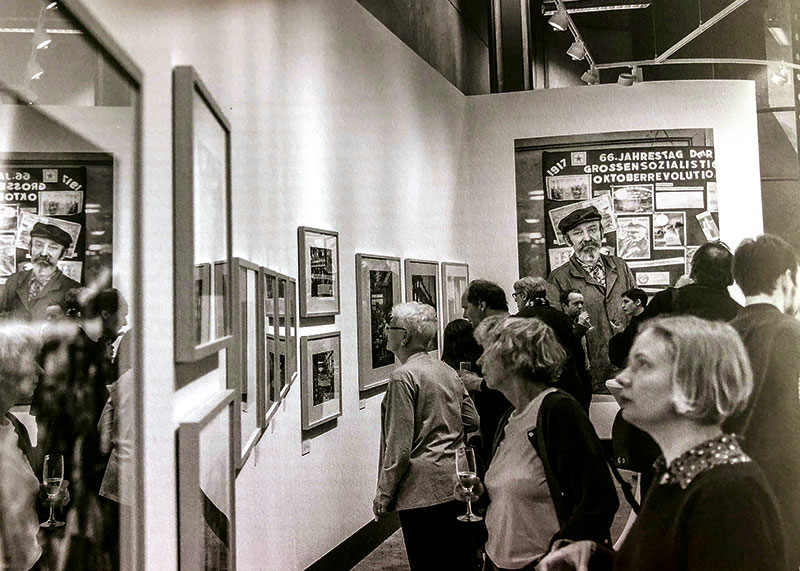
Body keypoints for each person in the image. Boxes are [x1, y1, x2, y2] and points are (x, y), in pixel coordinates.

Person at [538, 316, 785, 571]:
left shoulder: (729, 492)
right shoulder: (678, 472)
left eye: (642, 364)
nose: (622, 378)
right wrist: (594, 556)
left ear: (691, 381)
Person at [462, 317, 617, 570]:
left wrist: (558, 555)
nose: (479, 362)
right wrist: (480, 495)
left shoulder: (558, 411)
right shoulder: (510, 418)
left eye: (485, 352)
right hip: (499, 562)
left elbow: (599, 500)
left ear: (513, 358)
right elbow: (514, 493)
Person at [373, 302, 480, 571]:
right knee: (458, 561)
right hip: (456, 482)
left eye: (391, 327)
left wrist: (384, 494)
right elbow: (473, 419)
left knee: (428, 562)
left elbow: (398, 446)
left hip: (422, 491)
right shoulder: (447, 371)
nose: (386, 332)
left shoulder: (403, 377)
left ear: (405, 336)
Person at [726, 234, 800, 570]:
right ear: (787, 278)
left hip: (731, 488)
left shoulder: (721, 337)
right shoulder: (793, 333)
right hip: (787, 488)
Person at [0, 322, 68, 571]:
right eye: (32, 360)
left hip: (32, 561)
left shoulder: (14, 426)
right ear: (5, 369)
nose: (40, 370)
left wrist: (44, 496)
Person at [548, 206, 635, 391]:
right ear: (567, 239)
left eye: (593, 229)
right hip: (588, 374)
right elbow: (559, 333)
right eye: (578, 233)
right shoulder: (558, 278)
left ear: (602, 232)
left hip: (628, 369)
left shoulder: (620, 267)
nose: (587, 238)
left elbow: (637, 312)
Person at [514, 277, 590, 411]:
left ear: (524, 295)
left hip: (535, 394)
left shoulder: (518, 321)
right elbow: (577, 357)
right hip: (568, 389)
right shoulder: (563, 319)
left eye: (516, 296)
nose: (516, 301)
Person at [458, 280, 513, 460]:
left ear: (482, 304)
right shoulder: (504, 330)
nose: (465, 315)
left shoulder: (510, 334)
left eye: (466, 307)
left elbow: (517, 385)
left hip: (509, 429)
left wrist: (477, 383)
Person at [641, 241, 741, 321]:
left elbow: (631, 339)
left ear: (694, 269)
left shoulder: (666, 300)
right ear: (731, 274)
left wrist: (675, 292)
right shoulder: (739, 314)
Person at [0, 222, 80, 322]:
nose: (43, 253)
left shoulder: (72, 289)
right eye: (38, 245)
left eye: (53, 247)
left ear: (63, 254)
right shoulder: (14, 281)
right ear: (30, 249)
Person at [608, 287, 648, 368]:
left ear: (638, 302)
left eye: (626, 302)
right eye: (622, 302)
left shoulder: (646, 322)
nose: (622, 306)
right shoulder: (636, 319)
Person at [561, 289, 591, 374]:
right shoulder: (561, 323)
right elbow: (569, 343)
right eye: (576, 303)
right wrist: (581, 325)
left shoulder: (577, 320)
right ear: (564, 306)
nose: (580, 306)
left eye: (581, 303)